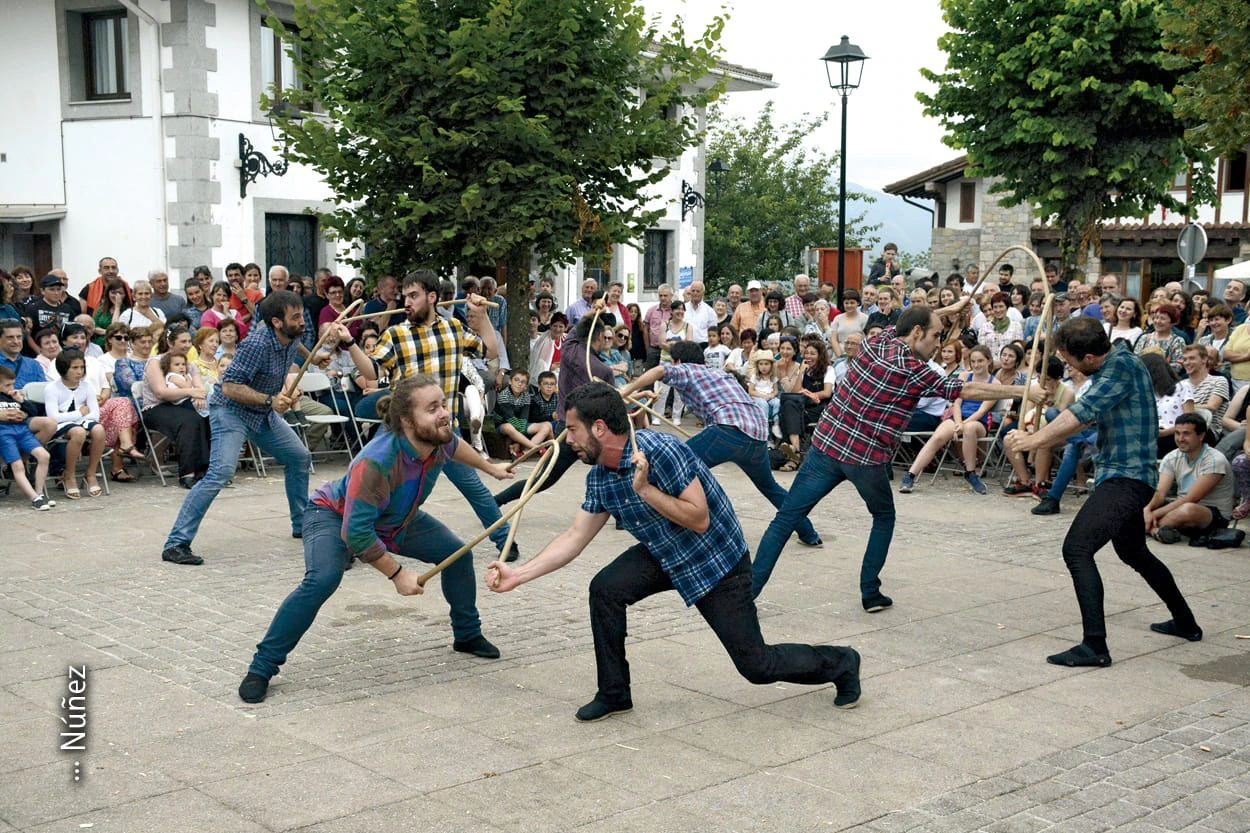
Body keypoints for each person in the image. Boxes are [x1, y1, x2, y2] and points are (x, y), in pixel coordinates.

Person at [485, 383, 862, 721]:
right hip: (665, 553)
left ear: (599, 428)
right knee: (606, 589)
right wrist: (519, 575)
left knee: (756, 666)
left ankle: (842, 663)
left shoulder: (662, 450)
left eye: (572, 430)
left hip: (717, 563)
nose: (568, 440)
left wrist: (646, 490)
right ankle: (614, 693)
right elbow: (574, 537)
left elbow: (698, 519)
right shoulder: (600, 475)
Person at [236, 375, 514, 703]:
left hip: (395, 520)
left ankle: (467, 635)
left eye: (443, 405)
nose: (444, 414)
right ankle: (262, 666)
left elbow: (455, 445)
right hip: (333, 516)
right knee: (322, 579)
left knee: (457, 555)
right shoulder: (377, 461)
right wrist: (397, 574)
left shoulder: (437, 439)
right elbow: (356, 532)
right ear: (407, 421)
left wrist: (490, 467)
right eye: (432, 408)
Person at [752, 300, 1027, 608]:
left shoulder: (878, 342)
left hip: (827, 446)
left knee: (786, 519)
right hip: (864, 459)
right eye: (936, 336)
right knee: (883, 517)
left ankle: (746, 597)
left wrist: (951, 310)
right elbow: (966, 391)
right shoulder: (916, 371)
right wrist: (1021, 391)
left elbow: (909, 323)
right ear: (918, 332)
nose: (938, 344)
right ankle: (870, 592)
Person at [1007, 316, 1203, 666]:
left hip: (1127, 479)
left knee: (1077, 549)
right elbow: (1078, 421)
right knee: (1134, 552)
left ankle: (1095, 646)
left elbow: (1081, 413)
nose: (1067, 368)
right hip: (1127, 476)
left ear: (1090, 358)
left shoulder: (1120, 368)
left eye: (1069, 362)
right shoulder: (1117, 365)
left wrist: (1032, 440)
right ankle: (1186, 623)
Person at [159, 294, 340, 565]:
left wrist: (313, 359)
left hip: (261, 413)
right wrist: (271, 400)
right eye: (296, 318)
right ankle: (176, 543)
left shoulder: (290, 332)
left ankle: (301, 524)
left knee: (298, 457)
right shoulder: (256, 344)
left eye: (302, 315)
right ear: (276, 322)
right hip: (230, 411)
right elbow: (230, 387)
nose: (302, 322)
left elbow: (297, 344)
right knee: (220, 472)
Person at [353, 270, 520, 562]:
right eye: (404, 296)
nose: (407, 302)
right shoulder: (396, 334)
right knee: (365, 481)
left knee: (476, 491)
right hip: (401, 433)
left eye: (413, 295)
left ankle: (505, 540)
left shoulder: (454, 329)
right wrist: (348, 344)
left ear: (432, 297)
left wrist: (480, 319)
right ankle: (351, 542)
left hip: (444, 432)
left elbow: (491, 351)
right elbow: (371, 372)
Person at [623, 340, 824, 546]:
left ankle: (641, 517)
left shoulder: (687, 369)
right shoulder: (718, 373)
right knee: (770, 487)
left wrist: (625, 392)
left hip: (727, 430)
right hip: (755, 435)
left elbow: (658, 370)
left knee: (674, 466)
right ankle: (808, 533)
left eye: (674, 363)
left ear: (679, 361)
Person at [1145, 413, 1233, 546]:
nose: (1180, 438)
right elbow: (1160, 492)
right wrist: (1147, 509)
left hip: (1212, 514)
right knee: (1139, 497)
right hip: (1179, 506)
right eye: (1177, 433)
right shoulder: (1171, 457)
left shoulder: (1215, 460)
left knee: (1188, 510)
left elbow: (1191, 499)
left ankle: (1147, 527)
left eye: (1186, 434)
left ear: (1201, 436)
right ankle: (1156, 530)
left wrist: (1154, 514)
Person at [46, 350, 107, 498]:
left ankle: (90, 473)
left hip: (80, 421)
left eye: (81, 367)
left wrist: (81, 416)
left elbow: (94, 414)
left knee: (98, 430)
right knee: (78, 432)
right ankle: (69, 475)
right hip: (61, 425)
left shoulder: (86, 387)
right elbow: (54, 417)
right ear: (63, 368)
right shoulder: (52, 388)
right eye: (74, 368)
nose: (79, 372)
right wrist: (80, 413)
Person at [0, 365, 54, 510]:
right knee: (17, 465)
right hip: (4, 433)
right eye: (7, 385)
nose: (11, 387)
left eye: (13, 384)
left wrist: (22, 401)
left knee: (44, 456)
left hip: (22, 430)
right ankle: (34, 498)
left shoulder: (14, 396)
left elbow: (33, 411)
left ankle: (40, 493)